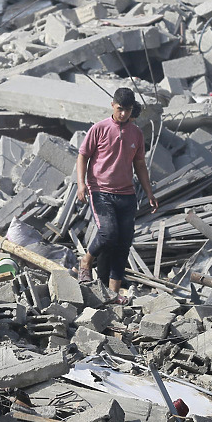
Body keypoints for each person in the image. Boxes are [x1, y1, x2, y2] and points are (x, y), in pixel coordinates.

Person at [76, 88, 158, 303]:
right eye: (120, 109)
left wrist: (149, 193)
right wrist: (81, 184)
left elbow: (139, 164)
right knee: (108, 233)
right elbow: (83, 156)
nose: (123, 114)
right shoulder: (99, 129)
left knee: (123, 243)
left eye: (128, 110)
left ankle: (112, 293)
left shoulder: (136, 134)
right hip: (101, 191)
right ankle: (85, 262)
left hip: (127, 194)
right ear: (113, 105)